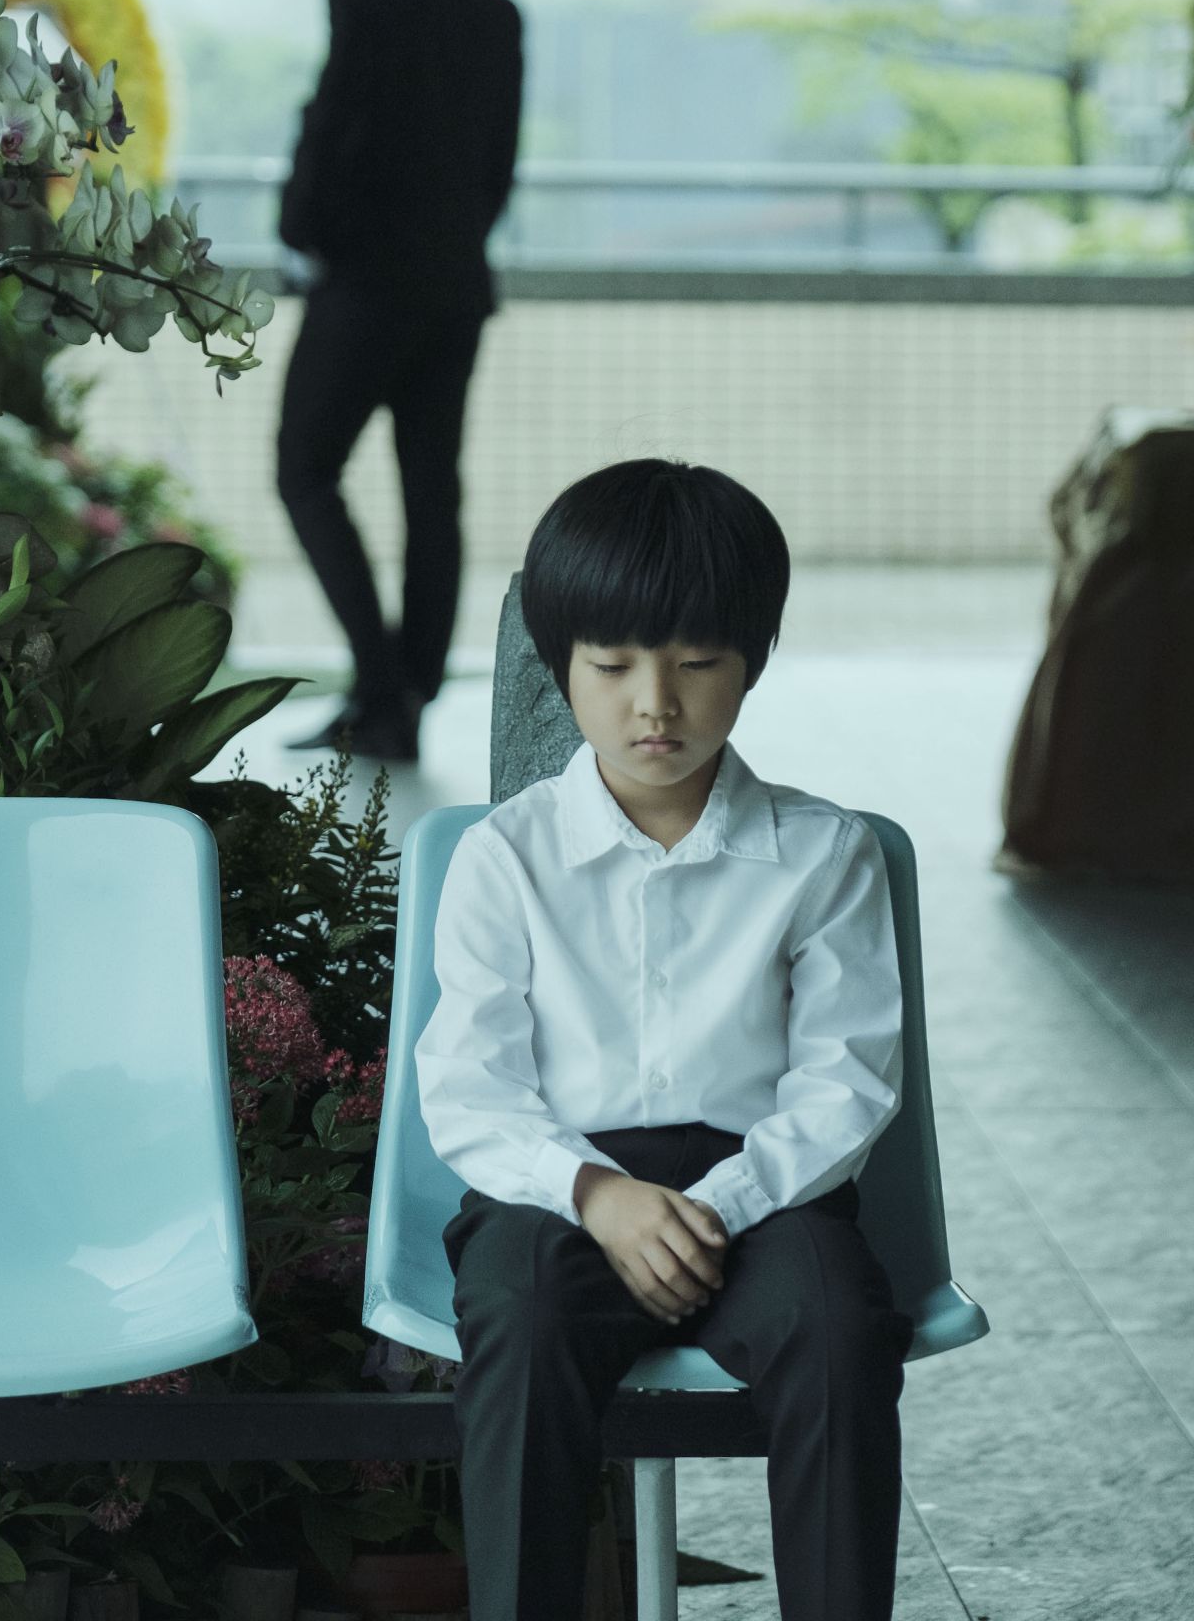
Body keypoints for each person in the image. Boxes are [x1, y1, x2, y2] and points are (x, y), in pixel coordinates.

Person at [417, 460, 913, 1621]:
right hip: (562, 1189)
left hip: (769, 1190)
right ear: (560, 665)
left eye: (697, 664)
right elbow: (471, 1085)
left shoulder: (823, 853)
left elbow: (845, 1081)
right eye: (614, 665)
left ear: (752, 661)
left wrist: (716, 1208)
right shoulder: (506, 855)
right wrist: (599, 1194)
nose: (656, 704)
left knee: (837, 1325)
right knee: (521, 1316)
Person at [276, 0, 524, 759]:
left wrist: (302, 231)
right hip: (453, 289)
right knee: (431, 494)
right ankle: (406, 696)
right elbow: (498, 164)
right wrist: (454, 244)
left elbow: (336, 120)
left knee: (304, 470)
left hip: (363, 286)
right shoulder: (497, 14)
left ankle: (379, 686)